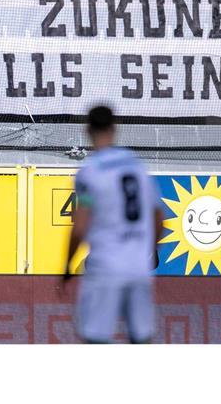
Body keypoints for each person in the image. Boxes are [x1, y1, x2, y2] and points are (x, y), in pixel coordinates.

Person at [63, 105, 163, 344]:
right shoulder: (137, 168)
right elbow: (159, 218)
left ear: (87, 130)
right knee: (141, 340)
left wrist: (67, 266)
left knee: (96, 339)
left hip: (105, 267)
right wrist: (147, 252)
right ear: (115, 128)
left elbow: (79, 227)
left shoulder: (89, 173)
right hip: (139, 267)